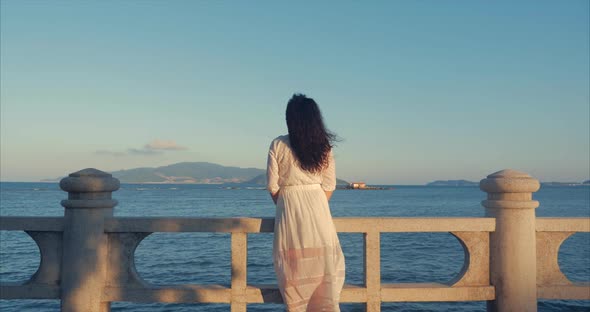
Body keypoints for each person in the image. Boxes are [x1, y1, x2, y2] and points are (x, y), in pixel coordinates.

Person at [267, 94, 346, 311]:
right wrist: (315, 205)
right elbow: (329, 186)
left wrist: (287, 206)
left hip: (288, 211)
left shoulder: (278, 144)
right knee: (323, 270)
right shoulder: (324, 147)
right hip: (318, 209)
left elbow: (273, 187)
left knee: (294, 271)